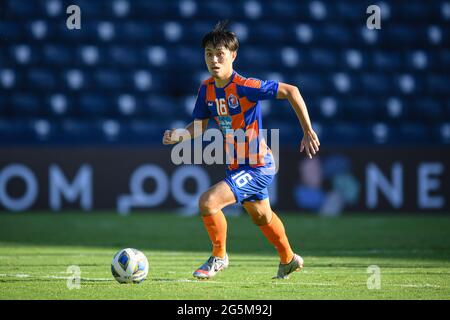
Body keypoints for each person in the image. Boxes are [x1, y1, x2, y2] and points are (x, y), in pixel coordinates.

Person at [162, 21, 320, 279]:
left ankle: (219, 256)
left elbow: (292, 91)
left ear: (233, 56)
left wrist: (307, 130)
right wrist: (180, 135)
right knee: (261, 217)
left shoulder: (245, 86)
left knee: (208, 202)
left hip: (258, 165)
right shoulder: (206, 89)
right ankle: (289, 259)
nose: (214, 60)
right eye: (208, 54)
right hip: (238, 166)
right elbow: (200, 126)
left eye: (220, 54)